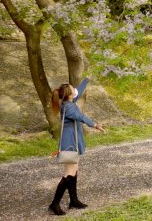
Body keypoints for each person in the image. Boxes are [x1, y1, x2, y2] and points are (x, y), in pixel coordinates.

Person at [48, 78, 106, 216]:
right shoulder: (69, 107)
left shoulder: (68, 102)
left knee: (74, 170)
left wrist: (87, 79)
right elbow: (81, 117)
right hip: (69, 142)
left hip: (72, 140)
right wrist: (96, 125)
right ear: (69, 95)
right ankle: (54, 204)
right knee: (69, 172)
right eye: (73, 89)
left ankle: (74, 200)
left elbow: (78, 92)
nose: (76, 90)